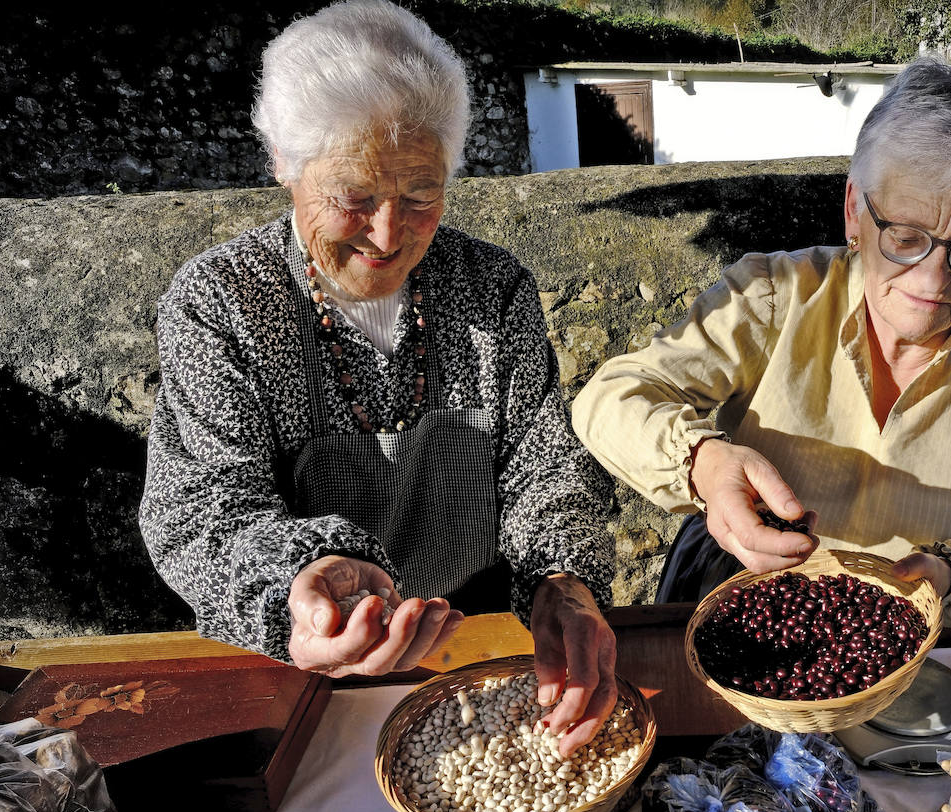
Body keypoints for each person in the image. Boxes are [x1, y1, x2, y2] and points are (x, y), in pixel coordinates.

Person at [139, 0, 615, 754]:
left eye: (421, 194)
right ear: (285, 168)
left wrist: (564, 584)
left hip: (479, 670)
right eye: (353, 198)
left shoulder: (491, 288)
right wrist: (302, 590)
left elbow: (543, 467)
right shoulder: (221, 303)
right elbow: (205, 513)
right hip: (302, 689)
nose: (388, 235)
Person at [571, 48, 951, 632]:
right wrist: (703, 461)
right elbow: (611, 397)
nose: (931, 281)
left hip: (915, 645)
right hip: (744, 607)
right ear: (854, 210)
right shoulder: (773, 297)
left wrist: (950, 578)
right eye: (904, 236)